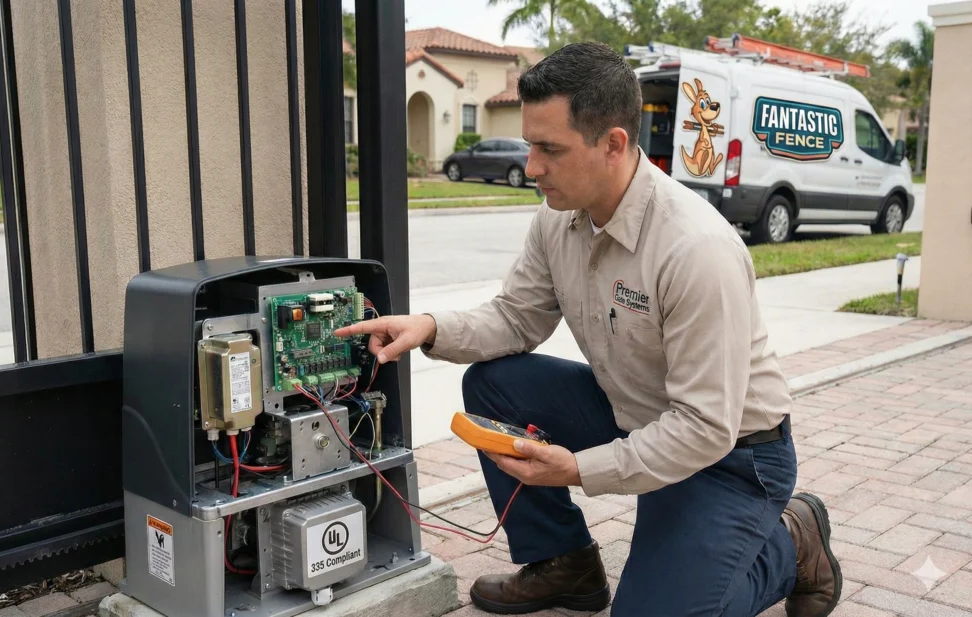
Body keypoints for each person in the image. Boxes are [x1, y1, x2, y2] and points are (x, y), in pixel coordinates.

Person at [336, 42, 842, 617]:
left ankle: (793, 542)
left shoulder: (696, 249)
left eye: (550, 149)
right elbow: (516, 318)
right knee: (495, 384)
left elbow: (704, 427)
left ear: (614, 145)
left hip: (729, 458)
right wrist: (428, 327)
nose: (531, 167)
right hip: (635, 417)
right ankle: (563, 563)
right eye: (530, 145)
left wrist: (578, 470)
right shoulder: (558, 218)